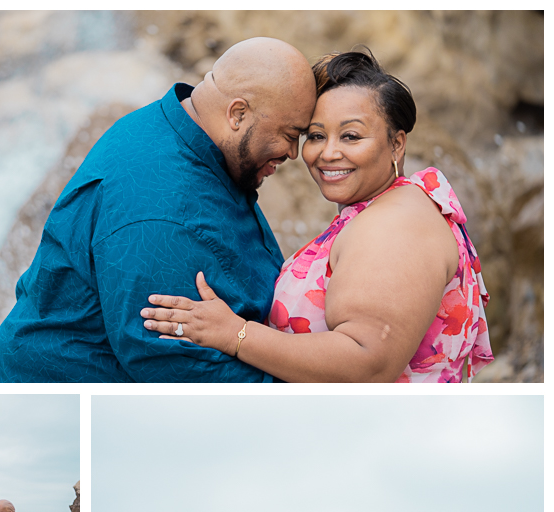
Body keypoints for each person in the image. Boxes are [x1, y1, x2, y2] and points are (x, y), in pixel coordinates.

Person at [141, 49, 494, 383]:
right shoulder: (384, 205)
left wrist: (235, 334)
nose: (328, 153)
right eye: (316, 135)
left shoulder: (396, 224)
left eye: (351, 136)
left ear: (397, 144)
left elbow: (368, 363)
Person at [0, 37, 317, 382]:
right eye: (289, 134)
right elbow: (180, 371)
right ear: (237, 114)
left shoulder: (182, 127)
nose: (293, 152)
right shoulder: (164, 213)